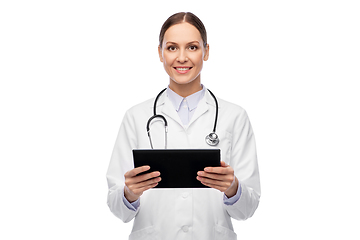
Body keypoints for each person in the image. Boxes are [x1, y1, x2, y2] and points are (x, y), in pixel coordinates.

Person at [106, 12, 261, 240]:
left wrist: (232, 188)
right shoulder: (136, 117)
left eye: (192, 47)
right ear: (160, 53)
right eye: (171, 48)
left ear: (206, 51)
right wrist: (130, 193)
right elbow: (117, 207)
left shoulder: (234, 116)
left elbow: (247, 209)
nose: (181, 57)